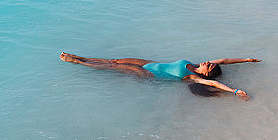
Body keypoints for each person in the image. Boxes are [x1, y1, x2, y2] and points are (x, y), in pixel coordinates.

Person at [59, 52, 260, 100]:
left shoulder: (193, 77)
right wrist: (246, 60)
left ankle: (77, 62)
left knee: (111, 69)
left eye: (210, 65)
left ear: (208, 73)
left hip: (147, 74)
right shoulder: (195, 65)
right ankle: (81, 57)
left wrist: (234, 90)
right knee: (113, 61)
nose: (208, 62)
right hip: (147, 63)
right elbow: (224, 61)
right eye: (209, 63)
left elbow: (215, 84)